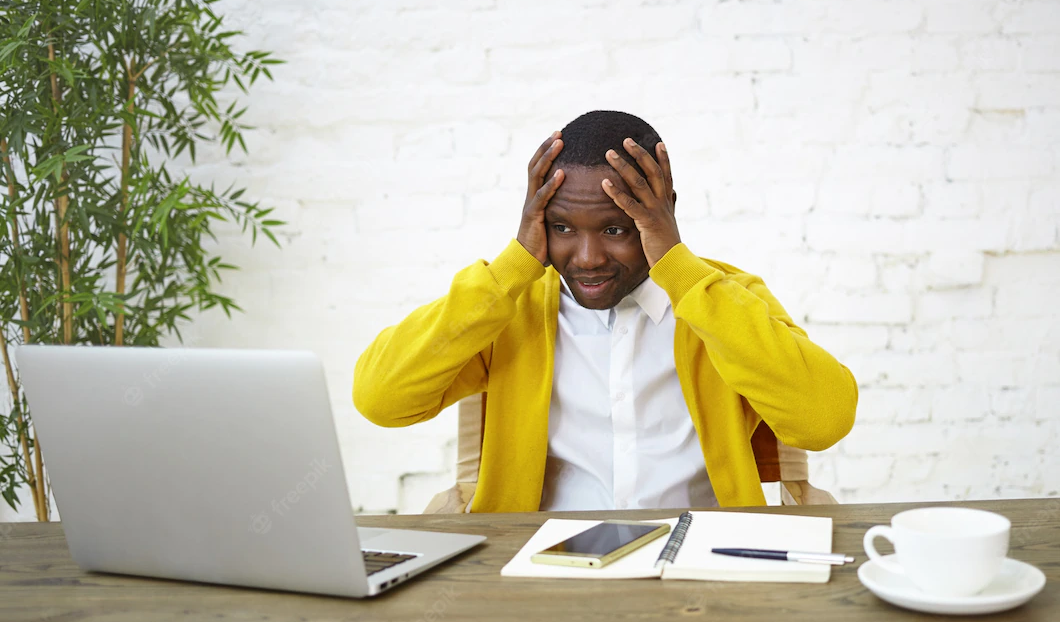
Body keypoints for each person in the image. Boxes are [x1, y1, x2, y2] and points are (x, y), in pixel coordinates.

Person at [354, 110, 858, 513]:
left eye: (616, 229)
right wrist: (512, 268)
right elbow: (382, 399)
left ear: (663, 210)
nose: (588, 257)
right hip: (540, 566)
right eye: (562, 227)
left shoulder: (723, 297)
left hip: (697, 566)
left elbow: (825, 420)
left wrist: (679, 269)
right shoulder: (512, 306)